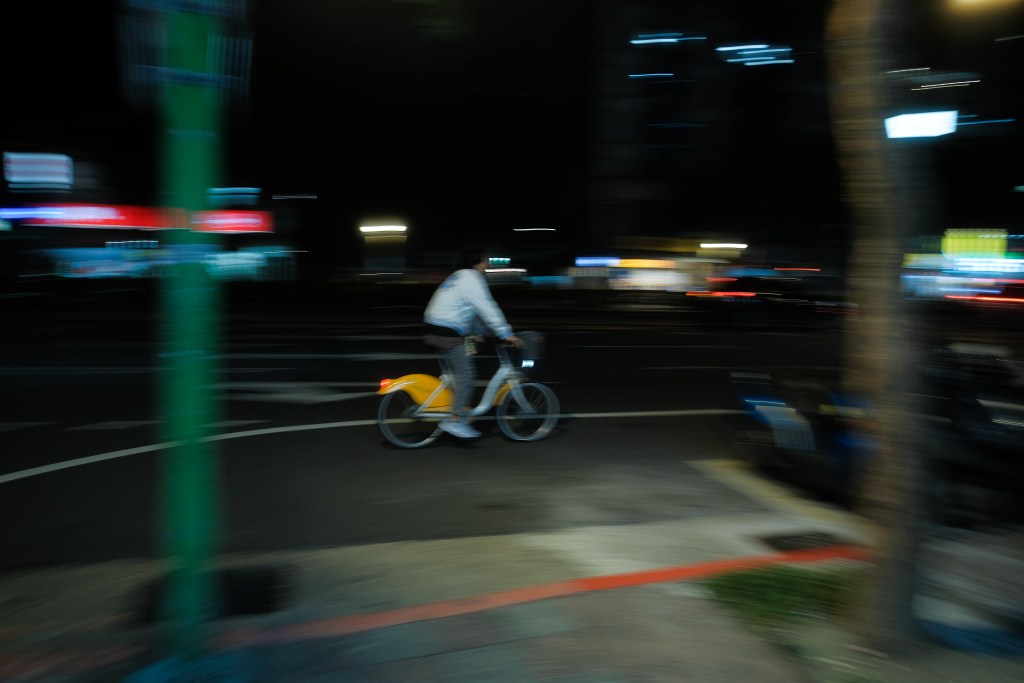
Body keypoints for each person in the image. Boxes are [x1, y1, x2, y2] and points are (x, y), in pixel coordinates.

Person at [423, 248, 524, 439]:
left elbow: (469, 310)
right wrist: (506, 333)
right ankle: (453, 420)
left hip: (436, 326)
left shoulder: (459, 276)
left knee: (459, 371)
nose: (488, 264)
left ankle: (456, 409)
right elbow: (487, 307)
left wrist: (482, 332)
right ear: (477, 262)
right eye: (486, 260)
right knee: (467, 375)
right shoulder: (473, 279)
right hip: (446, 331)